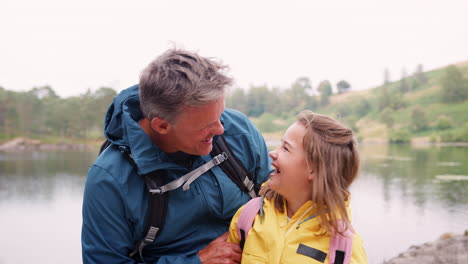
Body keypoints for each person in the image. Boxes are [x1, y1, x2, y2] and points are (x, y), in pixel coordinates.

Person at [81, 49, 271, 264]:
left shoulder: (238, 130)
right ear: (161, 125)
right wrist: (197, 262)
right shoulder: (109, 179)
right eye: (208, 124)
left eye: (220, 116)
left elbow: (284, 202)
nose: (220, 129)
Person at [227, 110, 368, 263]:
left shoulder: (345, 248)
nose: (272, 153)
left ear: (313, 169)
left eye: (285, 148)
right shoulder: (249, 216)